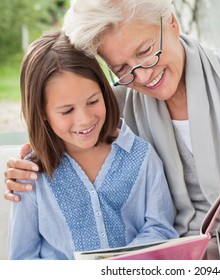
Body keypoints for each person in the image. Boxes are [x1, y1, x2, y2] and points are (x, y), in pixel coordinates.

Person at [4, 0, 220, 259]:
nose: (143, 74)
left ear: (172, 23)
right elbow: (62, 99)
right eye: (121, 67)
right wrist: (32, 158)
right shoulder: (112, 108)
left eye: (146, 51)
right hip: (186, 257)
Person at [7, 31, 178, 260]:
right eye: (67, 111)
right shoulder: (31, 176)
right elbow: (22, 259)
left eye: (93, 101)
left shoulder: (142, 156)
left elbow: (161, 229)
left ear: (105, 93)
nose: (85, 119)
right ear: (42, 113)